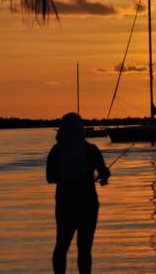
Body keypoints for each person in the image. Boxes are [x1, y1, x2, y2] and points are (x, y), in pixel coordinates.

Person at [46, 113, 110, 274]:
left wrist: (67, 177)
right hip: (88, 203)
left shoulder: (56, 150)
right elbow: (104, 174)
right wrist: (103, 177)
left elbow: (50, 177)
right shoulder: (91, 150)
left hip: (65, 203)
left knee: (61, 246)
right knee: (85, 249)